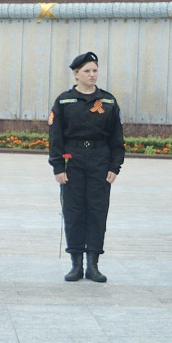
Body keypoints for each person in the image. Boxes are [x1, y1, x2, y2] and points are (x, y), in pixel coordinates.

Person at [48, 51, 124, 283]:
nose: (92, 74)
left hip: (100, 159)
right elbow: (55, 137)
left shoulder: (108, 101)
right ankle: (76, 264)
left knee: (97, 211)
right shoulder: (64, 101)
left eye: (95, 70)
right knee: (74, 211)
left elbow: (117, 137)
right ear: (76, 74)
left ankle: (93, 265)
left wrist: (115, 166)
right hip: (73, 160)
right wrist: (58, 166)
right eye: (87, 71)